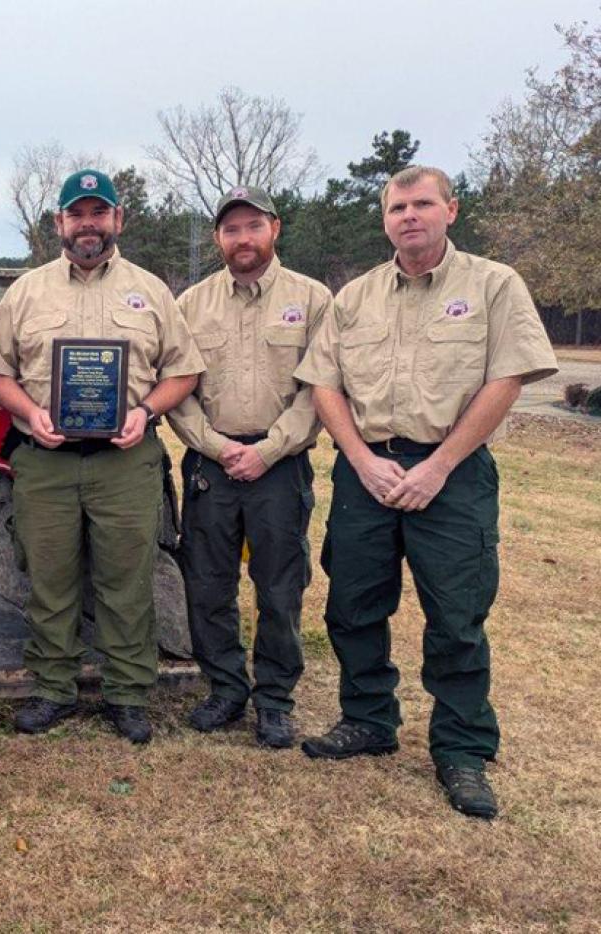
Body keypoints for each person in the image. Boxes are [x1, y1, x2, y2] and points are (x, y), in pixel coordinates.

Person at [294, 166, 558, 819]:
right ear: (384, 218)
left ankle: (463, 749)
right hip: (367, 468)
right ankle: (367, 719)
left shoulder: (494, 285)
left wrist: (439, 466)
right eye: (397, 207)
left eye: (422, 204)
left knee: (456, 616)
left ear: (450, 210)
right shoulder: (353, 297)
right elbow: (324, 383)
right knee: (352, 604)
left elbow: (507, 378)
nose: (409, 216)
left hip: (453, 471)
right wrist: (358, 457)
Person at [0, 169, 204, 744]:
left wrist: (145, 412)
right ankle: (53, 688)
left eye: (99, 213)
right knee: (50, 579)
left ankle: (127, 694)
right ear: (60, 223)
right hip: (45, 460)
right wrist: (30, 414)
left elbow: (185, 370)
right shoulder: (27, 291)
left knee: (127, 581)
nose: (88, 224)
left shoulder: (151, 291)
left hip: (125, 461)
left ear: (118, 220)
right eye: (77, 214)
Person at [167, 186, 330, 748]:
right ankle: (226, 688)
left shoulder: (312, 300)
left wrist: (268, 449)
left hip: (280, 465)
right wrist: (216, 446)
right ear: (218, 238)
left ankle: (275, 699)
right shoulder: (190, 305)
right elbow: (178, 389)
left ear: (274, 229)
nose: (243, 238)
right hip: (211, 463)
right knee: (208, 584)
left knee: (279, 587)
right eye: (232, 229)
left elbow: (321, 390)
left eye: (253, 226)